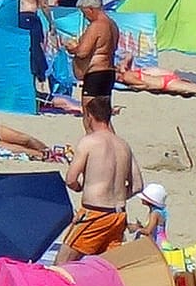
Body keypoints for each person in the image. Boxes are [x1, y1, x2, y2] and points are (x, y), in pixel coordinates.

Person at [58, 94, 141, 263]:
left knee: (62, 263)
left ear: (89, 116)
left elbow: (70, 179)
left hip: (95, 213)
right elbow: (138, 185)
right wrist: (114, 197)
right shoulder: (123, 144)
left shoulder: (89, 142)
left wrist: (80, 187)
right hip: (118, 215)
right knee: (108, 268)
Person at [65, 0, 120, 109]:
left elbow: (82, 52)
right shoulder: (112, 24)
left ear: (90, 9)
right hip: (108, 72)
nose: (85, 17)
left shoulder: (96, 26)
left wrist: (72, 48)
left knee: (90, 115)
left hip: (95, 73)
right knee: (103, 114)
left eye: (84, 13)